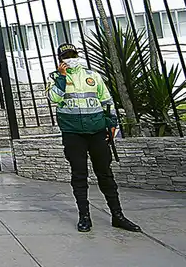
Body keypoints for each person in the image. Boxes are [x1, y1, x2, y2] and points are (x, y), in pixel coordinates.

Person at [46, 43, 140, 233]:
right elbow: (54, 99)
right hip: (73, 133)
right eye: (66, 56)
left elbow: (106, 100)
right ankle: (84, 217)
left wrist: (112, 123)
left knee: (105, 173)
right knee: (79, 174)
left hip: (97, 131)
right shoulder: (55, 77)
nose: (70, 58)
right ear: (60, 59)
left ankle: (118, 215)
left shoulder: (92, 76)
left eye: (73, 54)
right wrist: (62, 78)